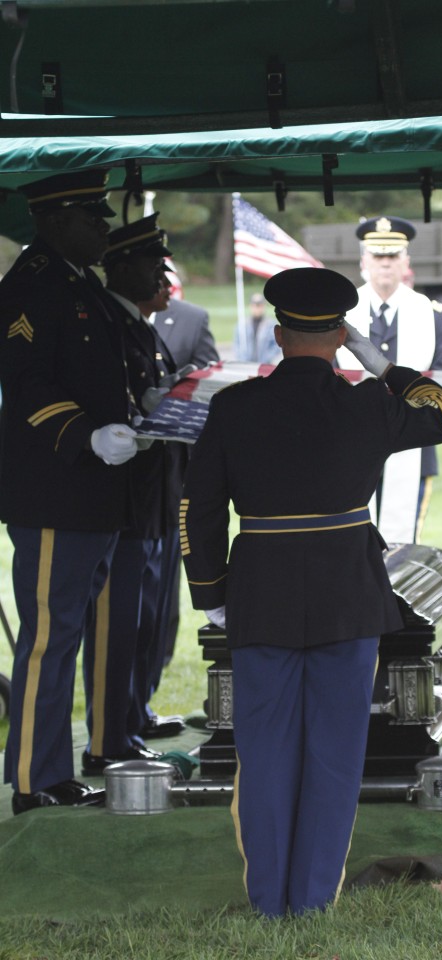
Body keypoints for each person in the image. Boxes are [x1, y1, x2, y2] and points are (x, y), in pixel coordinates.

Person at [180, 266, 442, 916]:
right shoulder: (369, 404)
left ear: (277, 335)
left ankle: (269, 899)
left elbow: (197, 507)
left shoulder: (233, 407)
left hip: (260, 591)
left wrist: (210, 591)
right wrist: (386, 368)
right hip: (347, 595)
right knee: (335, 757)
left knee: (265, 753)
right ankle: (311, 901)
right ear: (340, 335)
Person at [0, 169, 139, 814]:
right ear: (54, 222)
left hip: (92, 492)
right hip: (57, 490)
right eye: (92, 216)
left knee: (66, 633)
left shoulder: (80, 284)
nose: (105, 226)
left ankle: (50, 768)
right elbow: (26, 382)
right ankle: (32, 779)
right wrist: (83, 435)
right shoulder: (34, 287)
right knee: (50, 636)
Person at [82, 214, 183, 774]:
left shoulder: (141, 329)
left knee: (149, 621)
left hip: (156, 500)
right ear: (119, 267)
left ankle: (134, 714)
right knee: (117, 623)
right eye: (150, 266)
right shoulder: (112, 329)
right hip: (125, 503)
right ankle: (107, 738)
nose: (160, 277)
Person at [335, 215, 442, 543]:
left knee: (404, 548)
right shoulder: (341, 316)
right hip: (352, 444)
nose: (385, 263)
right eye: (377, 256)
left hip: (412, 447)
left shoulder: (430, 315)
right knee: (353, 543)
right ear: (364, 261)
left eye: (392, 256)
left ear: (406, 262)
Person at [138, 270, 219, 726]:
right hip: (133, 486)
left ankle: (142, 701)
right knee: (137, 607)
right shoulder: (117, 323)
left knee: (163, 607)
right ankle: (128, 712)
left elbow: (209, 384)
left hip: (176, 479)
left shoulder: (191, 319)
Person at [233, 292, 282, 364]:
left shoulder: (271, 325)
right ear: (251, 306)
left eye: (260, 305)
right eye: (255, 305)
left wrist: (266, 359)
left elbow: (276, 346)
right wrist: (243, 360)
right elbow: (237, 344)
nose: (257, 308)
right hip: (246, 365)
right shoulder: (242, 325)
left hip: (264, 365)